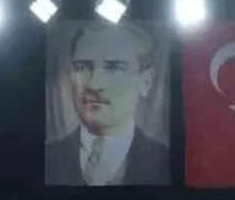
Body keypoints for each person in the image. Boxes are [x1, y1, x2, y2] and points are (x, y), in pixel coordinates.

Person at [45, 21, 170, 188]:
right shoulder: (48, 157)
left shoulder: (165, 162)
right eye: (82, 67)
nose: (93, 84)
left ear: (146, 81)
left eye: (113, 67)